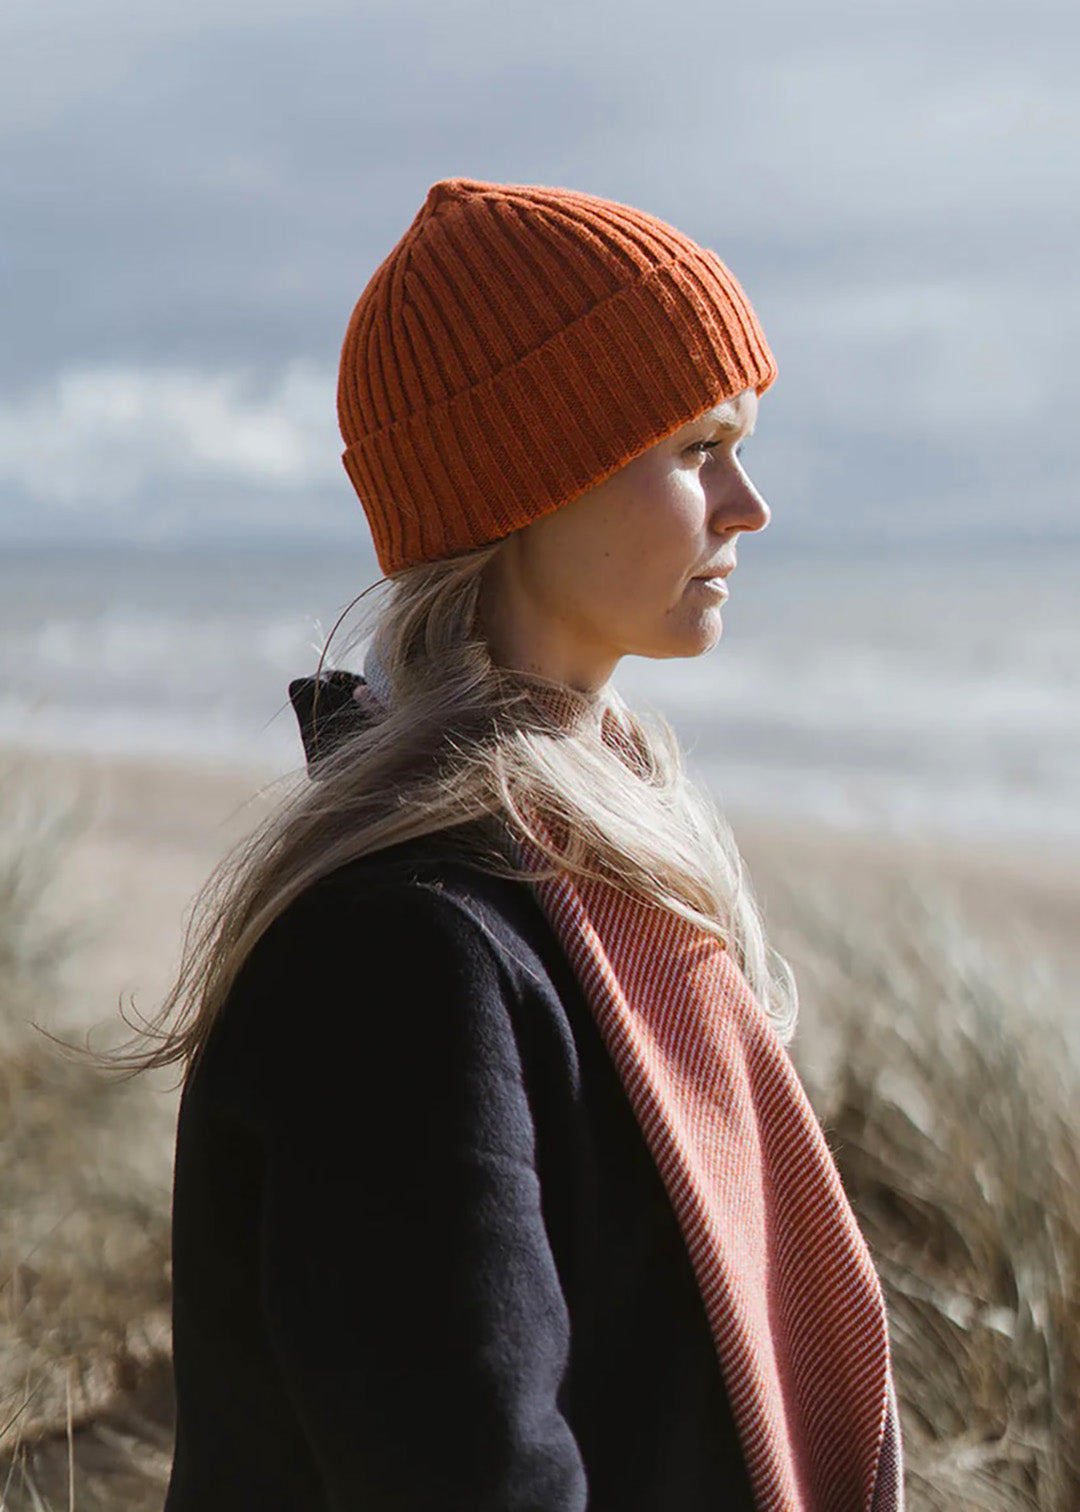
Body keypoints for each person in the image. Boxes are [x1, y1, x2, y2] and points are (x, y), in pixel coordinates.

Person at [153, 177, 904, 1511]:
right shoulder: (397, 952)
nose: (749, 506)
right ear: (530, 479)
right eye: (695, 449)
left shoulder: (597, 871)